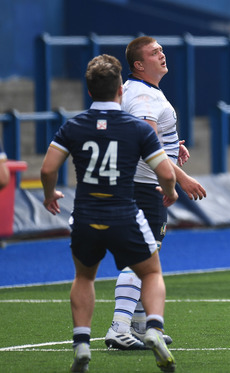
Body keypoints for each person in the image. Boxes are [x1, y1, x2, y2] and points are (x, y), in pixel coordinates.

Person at [40, 54, 177, 373]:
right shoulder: (136, 129)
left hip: (86, 214)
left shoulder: (73, 126)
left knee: (84, 277)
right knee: (151, 271)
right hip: (123, 213)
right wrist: (169, 192)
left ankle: (82, 343)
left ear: (89, 92)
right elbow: (166, 174)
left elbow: (48, 169)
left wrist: (50, 195)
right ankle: (153, 328)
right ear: (120, 89)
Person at [105, 36, 208, 351]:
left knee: (146, 257)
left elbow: (145, 135)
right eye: (154, 52)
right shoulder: (143, 96)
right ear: (138, 64)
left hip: (138, 185)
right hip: (142, 187)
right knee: (142, 259)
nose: (161, 54)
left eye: (161, 50)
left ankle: (136, 324)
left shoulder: (142, 93)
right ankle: (119, 327)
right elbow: (143, 141)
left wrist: (174, 146)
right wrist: (180, 178)